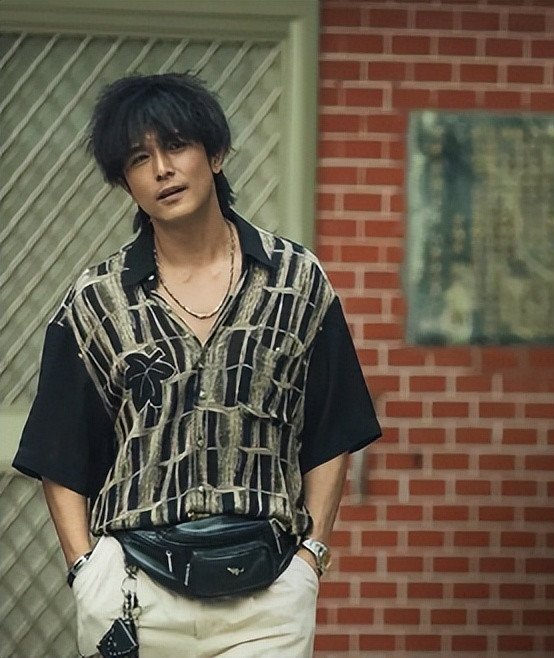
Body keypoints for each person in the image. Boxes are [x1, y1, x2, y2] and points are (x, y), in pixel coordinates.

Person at [13, 73, 381, 657]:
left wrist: (310, 559)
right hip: (134, 595)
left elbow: (332, 430)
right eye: (139, 157)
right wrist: (87, 570)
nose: (162, 169)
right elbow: (59, 453)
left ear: (215, 154)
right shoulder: (98, 301)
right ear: (125, 181)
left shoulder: (296, 281)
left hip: (268, 598)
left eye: (177, 145)